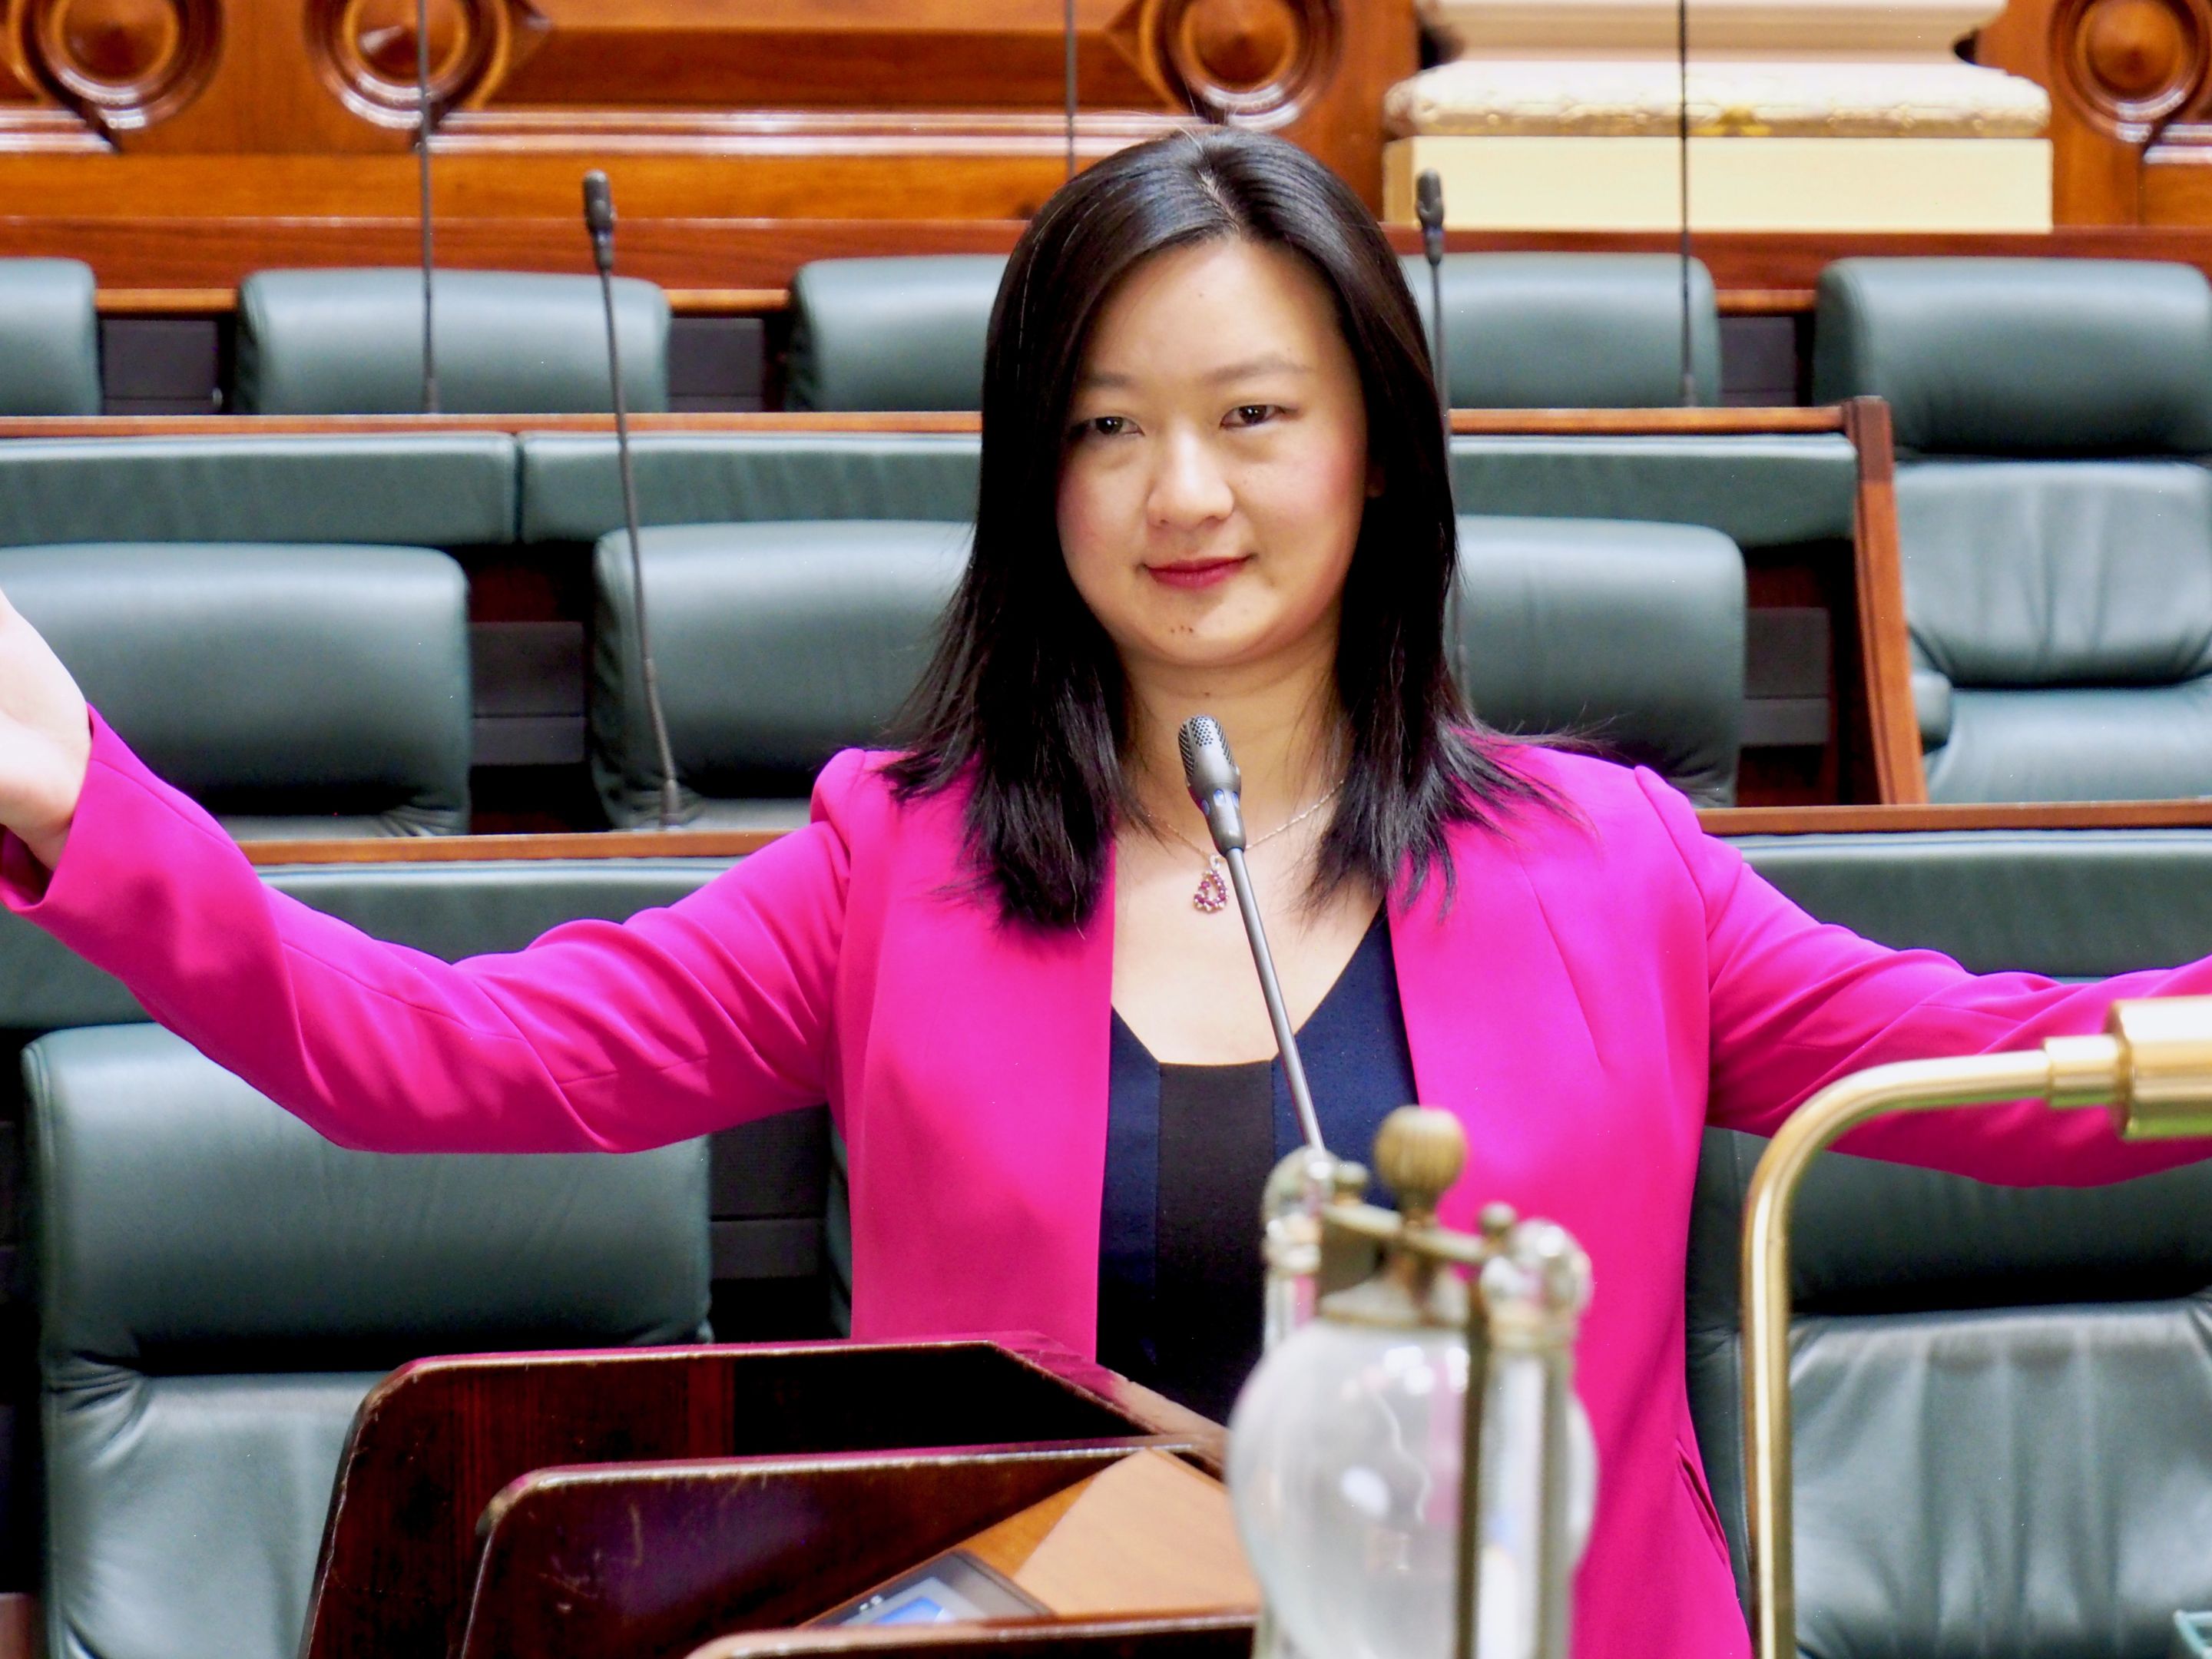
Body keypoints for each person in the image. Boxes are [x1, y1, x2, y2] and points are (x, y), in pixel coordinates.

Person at [0, 131, 2201, 1657]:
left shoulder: (1613, 866)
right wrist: (78, 796)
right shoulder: (895, 866)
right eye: (1105, 427)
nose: (1183, 493)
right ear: (1031, 475)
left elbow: (2014, 1075)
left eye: (1255, 412)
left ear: (1376, 448)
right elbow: (433, 1057)